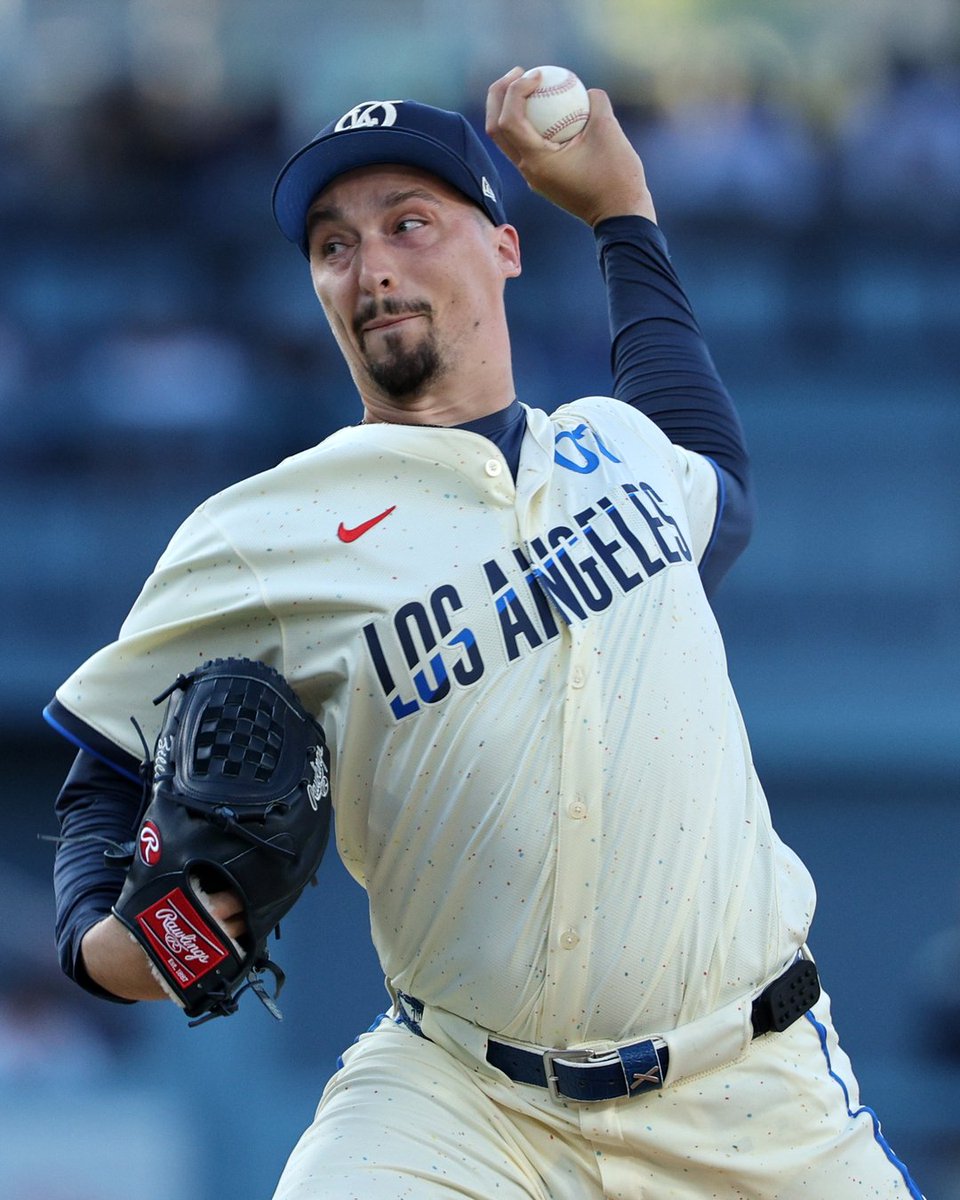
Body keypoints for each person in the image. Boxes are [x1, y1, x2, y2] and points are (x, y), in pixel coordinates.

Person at [46, 68, 923, 1199]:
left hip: (756, 1092)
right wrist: (135, 948)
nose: (371, 268)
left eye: (410, 223)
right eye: (333, 244)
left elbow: (722, 478)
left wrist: (624, 215)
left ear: (505, 247)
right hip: (466, 1102)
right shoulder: (263, 532)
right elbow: (100, 785)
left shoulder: (614, 446)